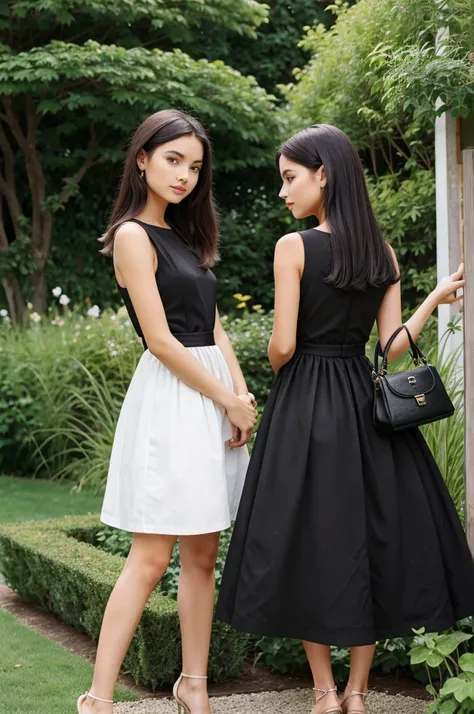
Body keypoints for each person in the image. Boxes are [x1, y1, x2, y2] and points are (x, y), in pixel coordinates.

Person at [216, 124, 474, 714]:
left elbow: (280, 348)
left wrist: (291, 346)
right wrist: (431, 299)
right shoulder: (380, 253)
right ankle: (359, 693)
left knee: (311, 537)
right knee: (367, 538)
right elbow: (390, 349)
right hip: (363, 406)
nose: (283, 192)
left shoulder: (294, 247)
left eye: (289, 178)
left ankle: (324, 692)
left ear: (323, 174)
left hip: (305, 403)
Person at [77, 109, 257, 714]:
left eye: (195, 166)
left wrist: (239, 391)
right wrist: (223, 395)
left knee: (203, 553)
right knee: (152, 556)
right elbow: (160, 339)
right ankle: (98, 699)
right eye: (174, 160)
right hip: (173, 397)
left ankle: (194, 685)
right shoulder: (132, 235)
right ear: (143, 159)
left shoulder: (186, 237)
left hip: (208, 395)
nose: (185, 175)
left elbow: (212, 326)